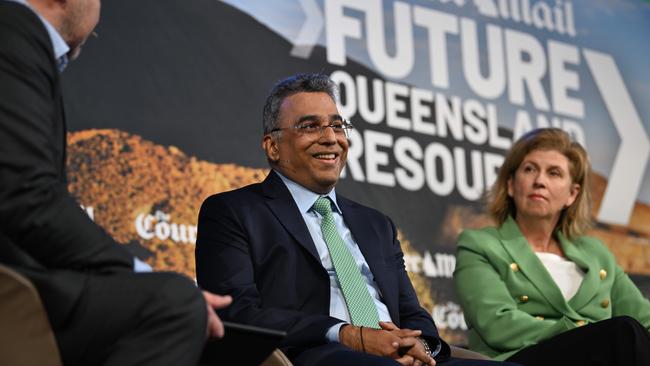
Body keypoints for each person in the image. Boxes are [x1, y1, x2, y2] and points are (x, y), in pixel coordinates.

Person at [196, 73, 517, 366]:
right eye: (310, 126)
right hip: (314, 353)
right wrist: (347, 334)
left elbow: (411, 312)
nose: (331, 138)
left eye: (337, 126)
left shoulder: (376, 224)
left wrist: (420, 347)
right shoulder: (233, 211)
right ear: (273, 146)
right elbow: (237, 313)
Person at [0, 1, 231, 365]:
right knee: (173, 304)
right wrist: (136, 274)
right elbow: (25, 194)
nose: (98, 17)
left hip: (28, 283)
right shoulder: (13, 30)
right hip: (15, 288)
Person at [453, 128, 650, 365]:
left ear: (572, 195)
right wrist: (585, 331)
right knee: (623, 333)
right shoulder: (480, 244)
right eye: (529, 169)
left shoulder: (596, 253)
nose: (540, 181)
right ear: (511, 185)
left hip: (604, 353)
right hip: (524, 360)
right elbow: (498, 325)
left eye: (554, 173)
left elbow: (645, 319)